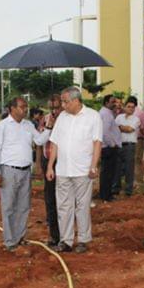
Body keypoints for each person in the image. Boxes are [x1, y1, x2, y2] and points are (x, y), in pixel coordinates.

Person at [45, 86, 102, 254]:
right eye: (62, 101)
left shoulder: (93, 116)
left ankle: (83, 240)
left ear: (76, 101)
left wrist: (93, 165)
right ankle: (66, 240)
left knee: (82, 206)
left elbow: (97, 142)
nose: (62, 105)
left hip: (83, 170)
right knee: (63, 206)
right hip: (63, 170)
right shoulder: (62, 117)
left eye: (65, 101)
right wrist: (50, 166)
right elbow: (54, 142)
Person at [0, 97, 50, 251]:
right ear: (11, 108)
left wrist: (49, 129)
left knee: (23, 206)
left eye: (26, 106)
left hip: (25, 171)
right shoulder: (1, 126)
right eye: (22, 106)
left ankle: (20, 236)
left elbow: (39, 141)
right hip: (9, 170)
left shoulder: (28, 125)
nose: (25, 109)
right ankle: (10, 241)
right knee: (9, 206)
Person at [41, 94, 63, 246]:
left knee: (64, 198)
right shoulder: (45, 119)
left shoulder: (67, 119)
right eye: (51, 107)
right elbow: (40, 141)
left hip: (64, 162)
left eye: (56, 107)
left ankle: (65, 233)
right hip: (48, 161)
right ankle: (54, 234)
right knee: (50, 197)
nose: (53, 110)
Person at [98, 94, 121, 203]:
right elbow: (105, 132)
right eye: (112, 102)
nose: (114, 104)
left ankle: (105, 194)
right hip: (108, 147)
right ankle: (106, 195)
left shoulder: (105, 113)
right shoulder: (106, 114)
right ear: (106, 102)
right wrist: (113, 144)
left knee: (106, 172)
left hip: (106, 147)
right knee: (108, 172)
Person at [116, 97, 141, 196]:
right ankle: (116, 188)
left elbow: (130, 129)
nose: (131, 109)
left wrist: (120, 127)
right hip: (119, 145)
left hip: (130, 146)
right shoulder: (119, 117)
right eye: (129, 106)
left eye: (133, 107)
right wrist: (122, 128)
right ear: (125, 107)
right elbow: (115, 128)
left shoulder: (136, 119)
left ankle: (128, 190)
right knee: (117, 168)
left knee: (129, 168)